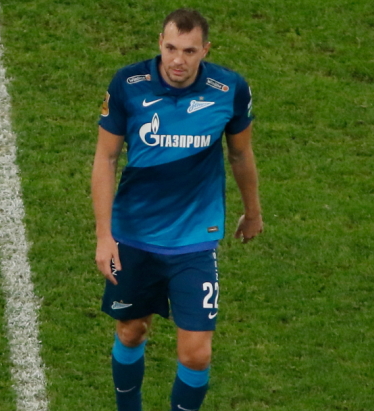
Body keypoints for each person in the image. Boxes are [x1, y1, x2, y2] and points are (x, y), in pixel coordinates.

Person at [91, 8, 263, 411]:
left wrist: (253, 212)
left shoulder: (230, 89)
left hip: (194, 241)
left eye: (189, 51)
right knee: (131, 332)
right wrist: (104, 236)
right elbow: (106, 158)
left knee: (196, 354)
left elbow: (241, 155)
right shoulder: (127, 85)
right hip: (135, 236)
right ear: (160, 44)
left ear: (205, 50)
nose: (178, 60)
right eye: (171, 48)